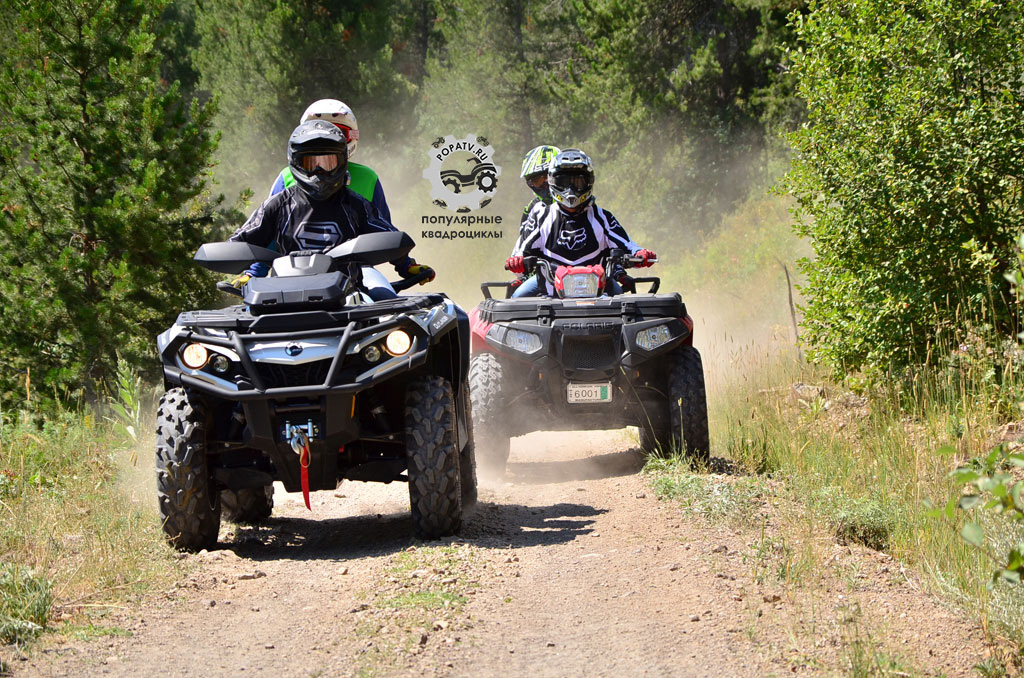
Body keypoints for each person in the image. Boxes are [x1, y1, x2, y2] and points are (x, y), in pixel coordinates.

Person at [230, 120, 433, 301]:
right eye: (311, 163)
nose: (319, 172)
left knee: (389, 308)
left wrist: (406, 264)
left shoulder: (355, 205)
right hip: (281, 299)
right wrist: (248, 271)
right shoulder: (278, 204)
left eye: (327, 163)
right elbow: (242, 242)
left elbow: (386, 237)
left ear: (343, 160)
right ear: (295, 162)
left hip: (348, 298)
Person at [506, 148, 656, 298]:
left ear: (589, 182)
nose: (570, 189)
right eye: (564, 182)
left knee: (622, 297)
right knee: (516, 298)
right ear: (553, 181)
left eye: (577, 182)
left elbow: (627, 244)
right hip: (549, 292)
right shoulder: (540, 215)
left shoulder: (602, 216)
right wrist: (517, 261)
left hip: (599, 291)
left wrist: (639, 253)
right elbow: (521, 250)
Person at [269, 99, 392, 223]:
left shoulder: (368, 178)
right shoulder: (286, 177)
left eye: (339, 133)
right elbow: (268, 231)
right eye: (317, 134)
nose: (328, 141)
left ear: (352, 136)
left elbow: (385, 233)